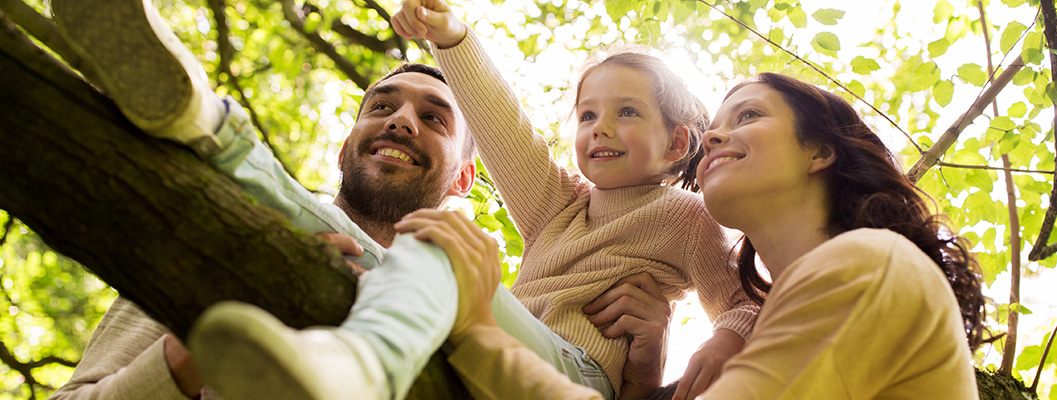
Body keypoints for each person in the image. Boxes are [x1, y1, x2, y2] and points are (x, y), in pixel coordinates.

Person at [47, 0, 672, 399]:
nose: (401, 121)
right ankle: (204, 119)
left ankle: (211, 122)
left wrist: (643, 379)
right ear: (347, 142)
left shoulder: (471, 324)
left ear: (464, 181)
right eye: (381, 107)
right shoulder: (218, 239)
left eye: (436, 118)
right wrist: (188, 359)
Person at [433, 73, 989, 399]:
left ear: (820, 150)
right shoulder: (802, 311)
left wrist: (473, 321)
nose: (717, 133)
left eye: (748, 115)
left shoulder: (870, 265)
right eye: (718, 122)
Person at [390, 2, 761, 399]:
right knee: (401, 258)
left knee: (445, 260)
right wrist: (452, 38)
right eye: (587, 116)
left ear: (676, 142)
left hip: (575, 368)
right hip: (495, 345)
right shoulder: (558, 202)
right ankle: (360, 355)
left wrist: (723, 341)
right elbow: (501, 124)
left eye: (628, 112)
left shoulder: (686, 215)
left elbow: (747, 302)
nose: (601, 128)